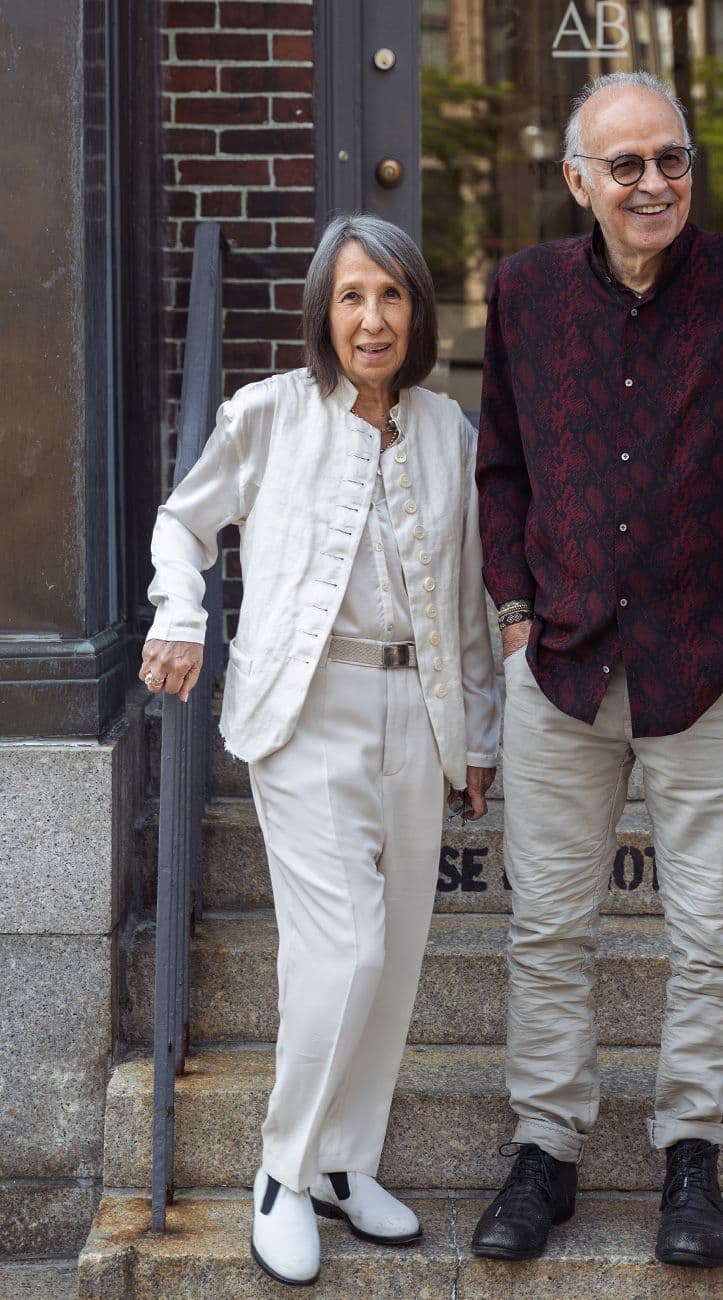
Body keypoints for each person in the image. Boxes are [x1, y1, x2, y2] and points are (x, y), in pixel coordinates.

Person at [471, 71, 723, 1270]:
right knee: (548, 927)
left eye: (670, 159)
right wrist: (515, 613)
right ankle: (546, 1150)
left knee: (714, 929)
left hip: (705, 665)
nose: (652, 182)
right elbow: (501, 468)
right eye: (624, 165)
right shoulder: (522, 294)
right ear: (579, 181)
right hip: (560, 661)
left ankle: (692, 1153)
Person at [140, 214, 500, 1287]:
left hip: (416, 715)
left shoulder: (451, 434)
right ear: (322, 310)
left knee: (390, 967)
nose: (372, 318)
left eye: (390, 296)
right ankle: (281, 1174)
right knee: (342, 953)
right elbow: (182, 523)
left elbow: (471, 601)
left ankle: (347, 1165)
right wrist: (180, 613)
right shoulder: (268, 415)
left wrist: (478, 734)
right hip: (302, 712)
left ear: (418, 313)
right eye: (351, 296)